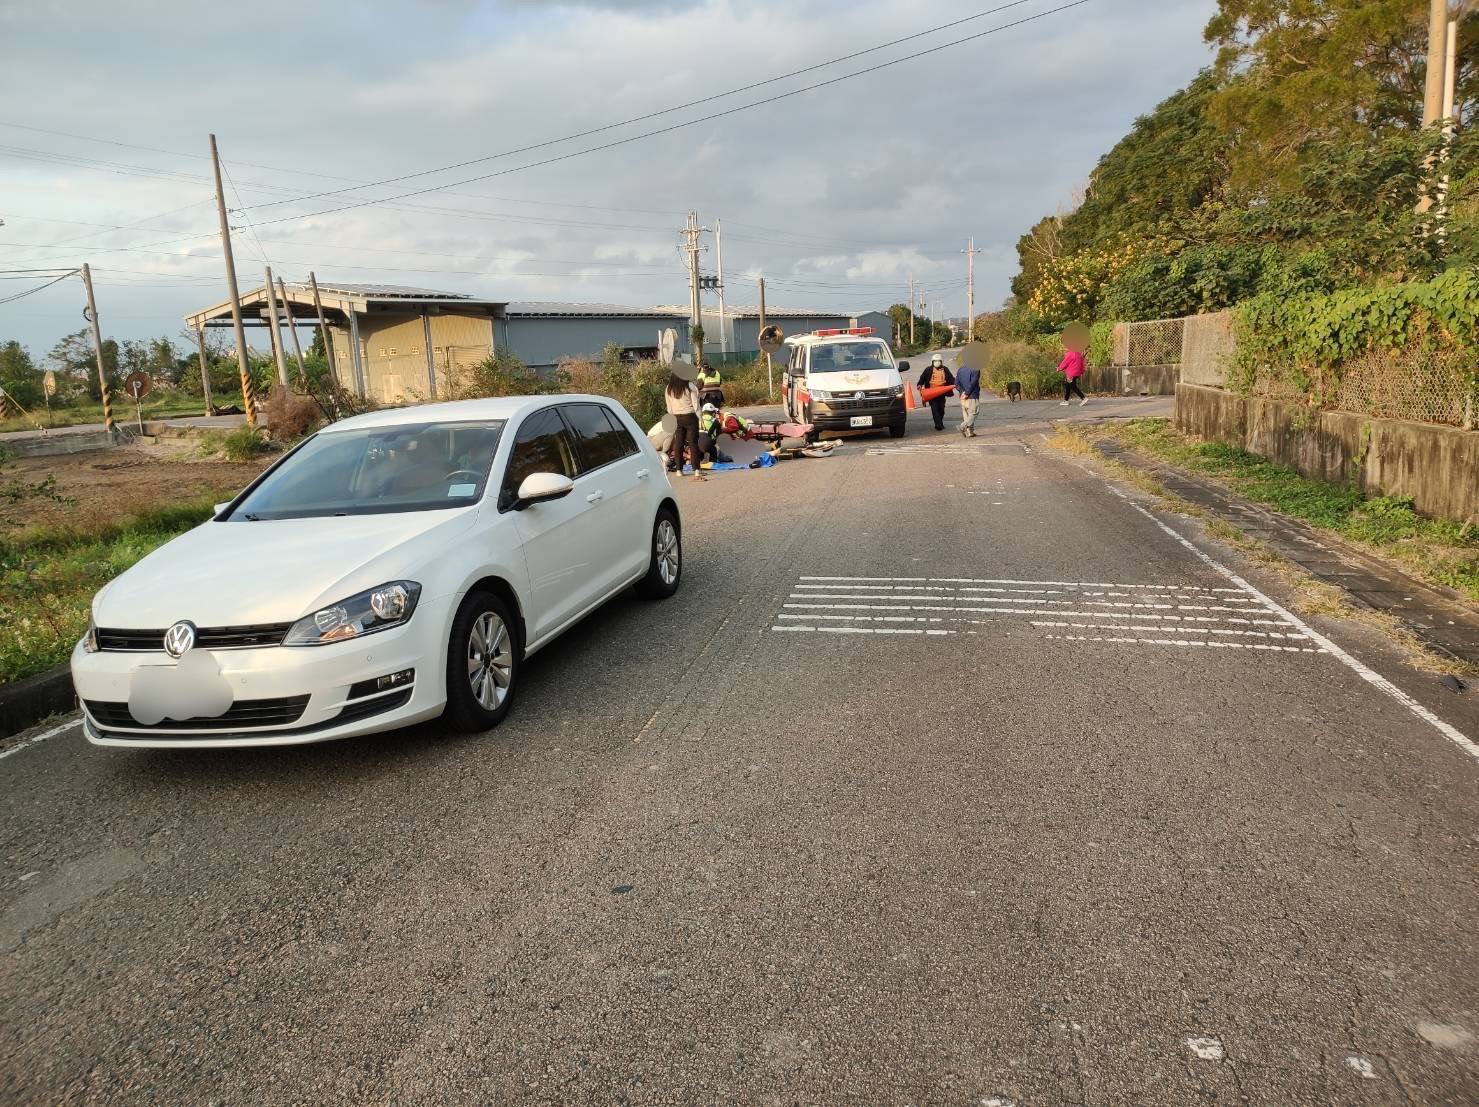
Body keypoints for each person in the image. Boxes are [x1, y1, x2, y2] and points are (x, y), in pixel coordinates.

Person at [665, 373, 706, 481]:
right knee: (693, 443)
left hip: (676, 417)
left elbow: (669, 408)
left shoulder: (668, 388)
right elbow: (696, 404)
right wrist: (700, 417)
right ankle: (696, 469)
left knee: (678, 443)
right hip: (690, 417)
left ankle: (679, 470)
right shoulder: (690, 386)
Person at [917, 353, 955, 431]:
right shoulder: (928, 370)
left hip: (942, 392)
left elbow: (951, 379)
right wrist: (919, 384)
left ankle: (939, 422)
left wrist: (955, 383)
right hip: (931, 393)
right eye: (935, 361)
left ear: (942, 361)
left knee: (941, 409)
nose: (937, 362)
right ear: (932, 362)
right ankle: (938, 425)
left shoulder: (945, 369)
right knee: (934, 409)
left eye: (939, 361)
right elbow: (922, 378)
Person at [954, 356, 981, 438]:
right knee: (974, 412)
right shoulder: (976, 369)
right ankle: (962, 427)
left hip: (962, 397)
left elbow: (956, 383)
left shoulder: (960, 369)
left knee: (966, 414)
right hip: (972, 395)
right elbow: (973, 383)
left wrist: (962, 392)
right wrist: (967, 393)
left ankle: (970, 432)